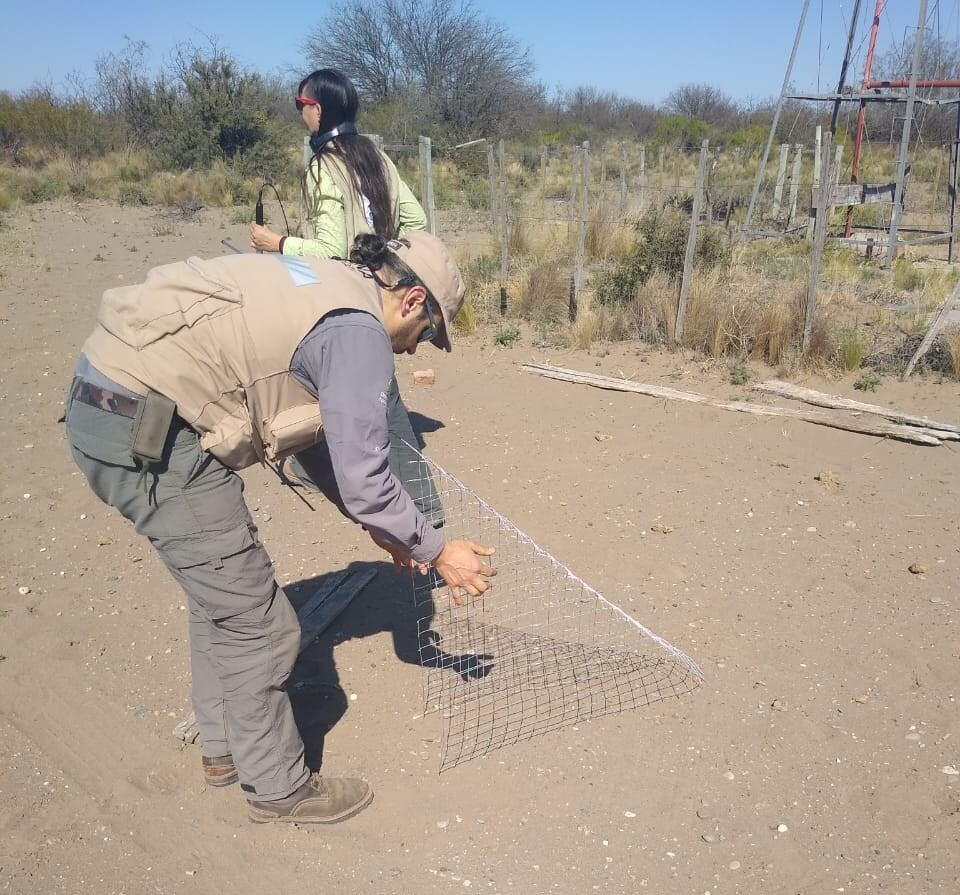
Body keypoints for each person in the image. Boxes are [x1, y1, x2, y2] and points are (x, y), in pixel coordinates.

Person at [64, 231, 496, 825]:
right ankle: (279, 790)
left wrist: (385, 528)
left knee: (222, 594)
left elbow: (323, 439)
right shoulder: (358, 332)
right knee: (259, 625)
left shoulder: (331, 283)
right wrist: (439, 549)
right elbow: (368, 479)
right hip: (146, 429)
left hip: (112, 399)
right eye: (427, 333)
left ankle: (224, 751)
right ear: (414, 299)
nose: (416, 352)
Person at [250, 67, 439, 522]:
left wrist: (277, 244)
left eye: (302, 106)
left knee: (379, 396)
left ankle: (423, 509)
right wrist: (385, 263)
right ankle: (321, 468)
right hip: (382, 290)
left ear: (318, 109)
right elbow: (416, 225)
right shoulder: (375, 156)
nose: (300, 114)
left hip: (339, 294)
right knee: (347, 385)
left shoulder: (323, 165)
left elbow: (330, 249)